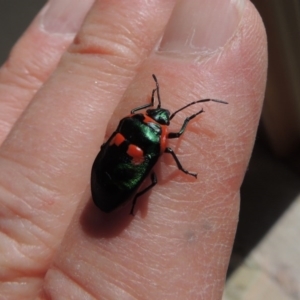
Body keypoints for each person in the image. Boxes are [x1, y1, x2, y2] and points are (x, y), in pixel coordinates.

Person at [0, 0, 267, 299]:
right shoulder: (158, 139)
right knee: (151, 179)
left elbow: (135, 125)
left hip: (109, 172)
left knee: (147, 174)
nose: (161, 114)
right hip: (118, 182)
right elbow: (170, 151)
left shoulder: (133, 122)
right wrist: (184, 150)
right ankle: (136, 195)